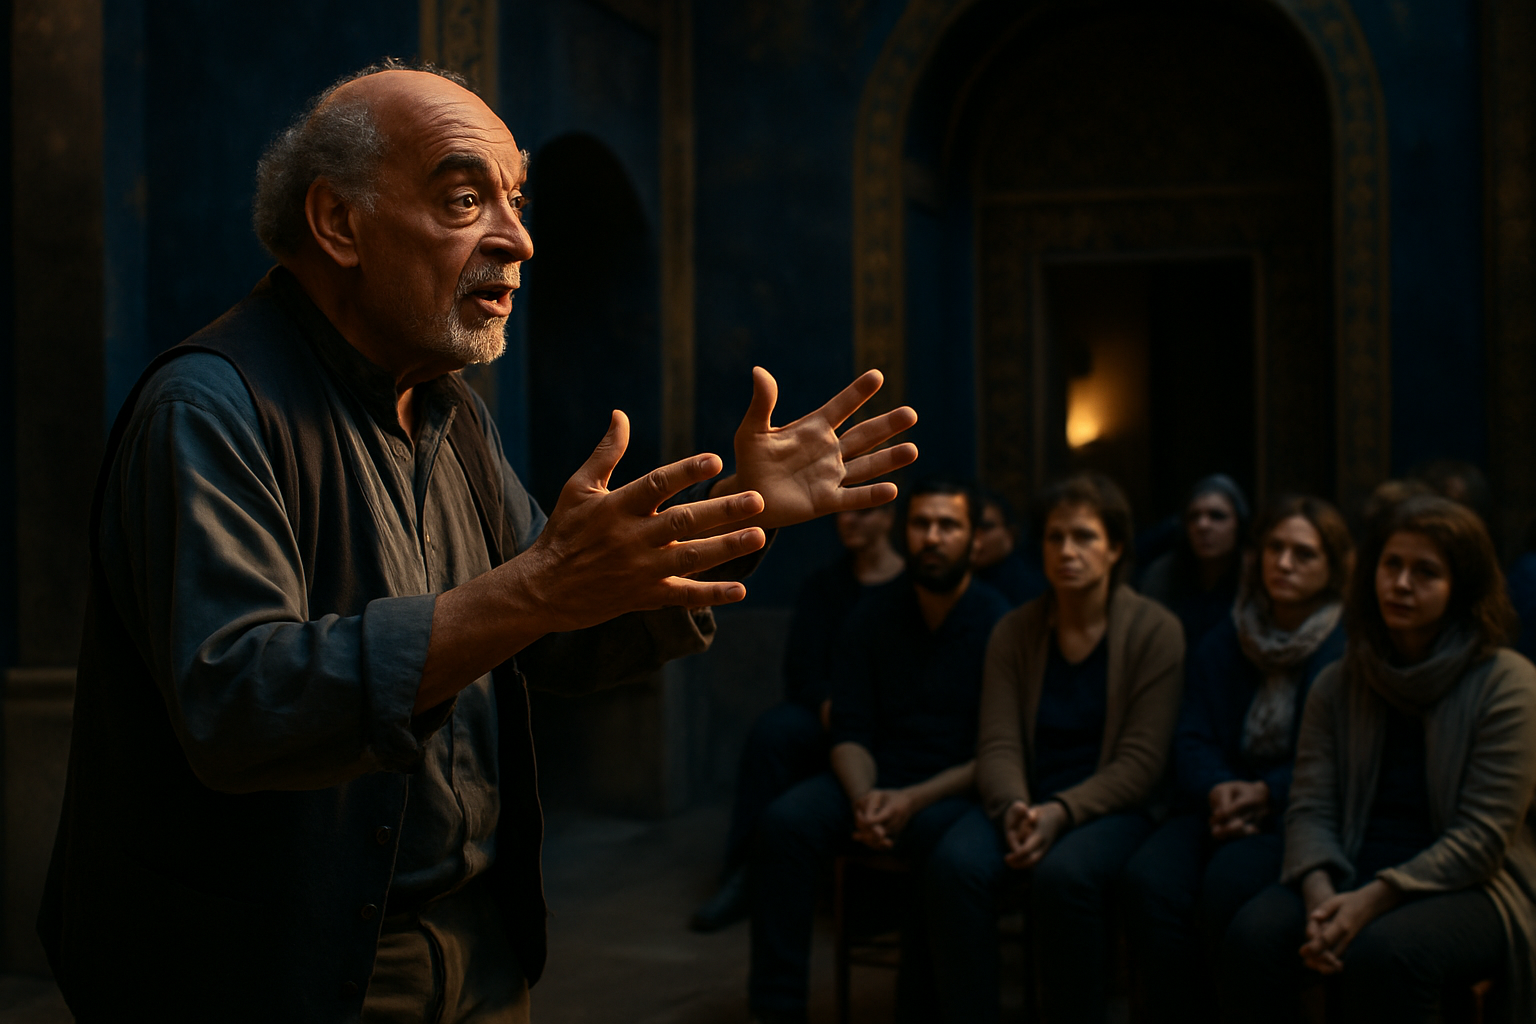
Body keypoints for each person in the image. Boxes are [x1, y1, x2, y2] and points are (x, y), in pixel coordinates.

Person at [39, 62, 922, 1023]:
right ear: (338, 224)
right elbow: (242, 699)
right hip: (271, 968)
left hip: (478, 948)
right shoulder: (207, 410)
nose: (519, 238)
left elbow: (563, 628)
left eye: (515, 199)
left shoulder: (449, 415)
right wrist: (537, 589)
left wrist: (744, 508)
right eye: (467, 200)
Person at [1223, 495, 1536, 1024]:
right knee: (1252, 934)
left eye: (1426, 572)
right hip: (1351, 860)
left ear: (1461, 585)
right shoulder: (1340, 680)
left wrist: (1368, 903)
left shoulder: (1508, 682)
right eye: (1391, 565)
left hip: (1473, 882)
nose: (1402, 584)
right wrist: (1322, 898)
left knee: (1385, 954)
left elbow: (1481, 839)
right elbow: (1309, 807)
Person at [922, 472, 1185, 1024]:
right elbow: (996, 741)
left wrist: (1061, 813)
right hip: (1025, 796)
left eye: (1085, 537)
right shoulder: (1015, 630)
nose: (1067, 551)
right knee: (955, 864)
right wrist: (1016, 807)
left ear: (1115, 548)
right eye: (1055, 537)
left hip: (1113, 806)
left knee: (1064, 877)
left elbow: (1141, 764)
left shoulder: (1155, 631)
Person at [747, 480, 1010, 1024]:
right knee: (783, 825)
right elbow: (850, 727)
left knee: (949, 854)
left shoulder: (998, 623)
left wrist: (908, 802)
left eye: (949, 526)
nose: (932, 538)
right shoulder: (871, 615)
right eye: (922, 524)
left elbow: (999, 751)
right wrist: (866, 798)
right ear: (905, 530)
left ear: (974, 543)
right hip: (872, 777)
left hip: (954, 789)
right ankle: (776, 1010)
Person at [1121, 495, 1353, 1024]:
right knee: (1148, 879)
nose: (1284, 563)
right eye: (1274, 548)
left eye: (1303, 554)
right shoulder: (1229, 634)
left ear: (1332, 567)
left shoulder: (1344, 648)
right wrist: (1220, 789)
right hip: (1215, 799)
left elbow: (1337, 760)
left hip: (1296, 810)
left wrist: (1265, 793)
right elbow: (1192, 733)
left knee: (1227, 883)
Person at [689, 505, 904, 933]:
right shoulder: (826, 586)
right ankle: (745, 874)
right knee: (774, 733)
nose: (849, 521)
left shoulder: (911, 588)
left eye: (862, 513)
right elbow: (802, 670)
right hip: (830, 713)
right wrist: (829, 706)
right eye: (844, 514)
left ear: (888, 517)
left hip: (889, 721)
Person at [1139, 475, 1250, 654]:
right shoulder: (1162, 577)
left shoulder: (1255, 578)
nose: (1203, 525)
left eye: (1217, 516)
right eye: (1193, 517)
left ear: (1239, 524)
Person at [973, 488, 1048, 607]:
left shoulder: (1026, 583)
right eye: (971, 528)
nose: (975, 538)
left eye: (986, 528)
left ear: (1010, 534)